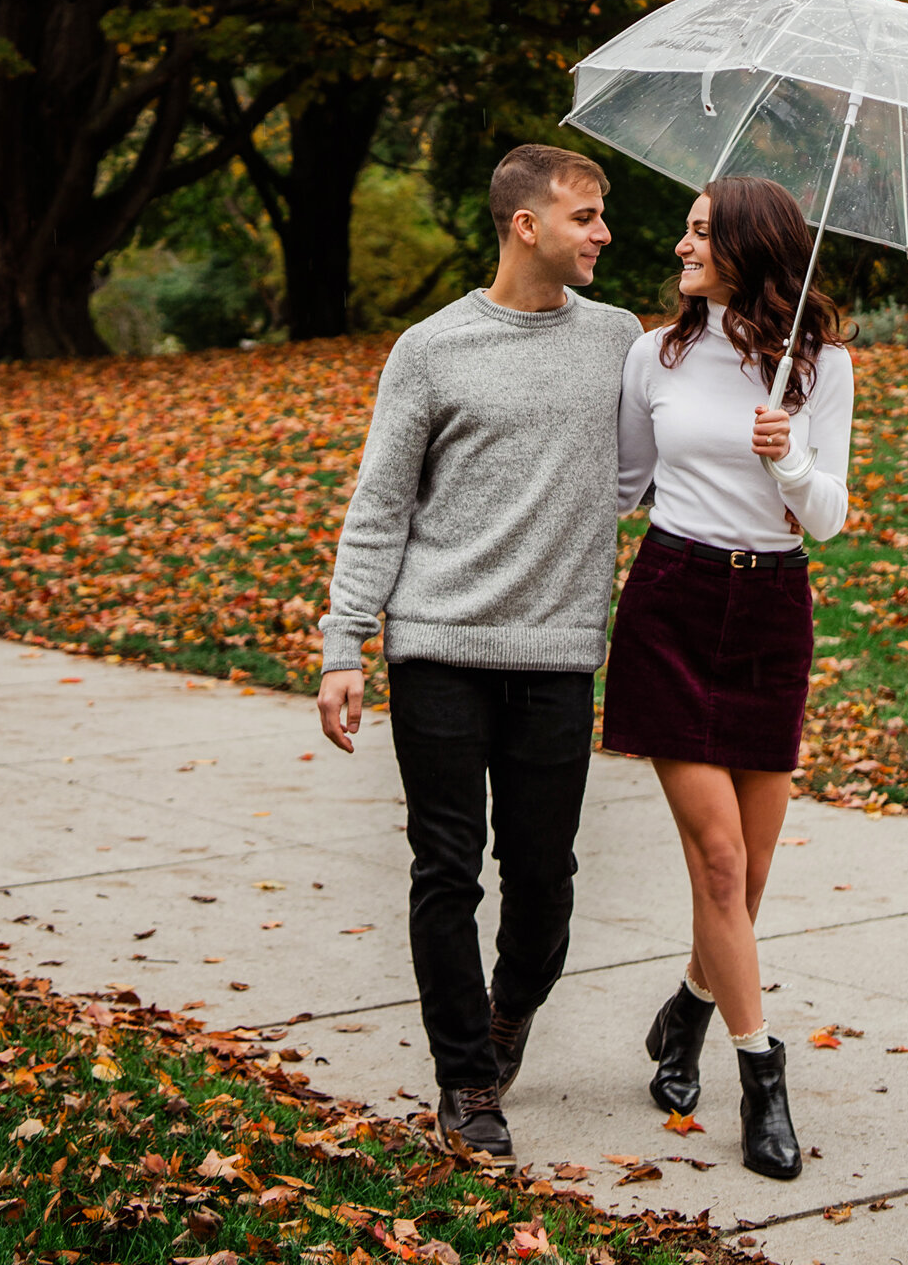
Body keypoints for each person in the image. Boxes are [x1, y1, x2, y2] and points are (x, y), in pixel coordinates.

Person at [316, 144, 642, 1165]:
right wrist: (344, 641)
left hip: (554, 653)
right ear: (525, 225)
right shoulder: (430, 348)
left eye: (604, 216)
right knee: (445, 866)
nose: (602, 233)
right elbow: (380, 507)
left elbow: (667, 446)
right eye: (585, 216)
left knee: (543, 874)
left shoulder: (622, 339)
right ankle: (465, 1075)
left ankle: (510, 1013)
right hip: (440, 649)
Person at [605, 175, 854, 1181]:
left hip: (769, 614)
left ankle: (688, 1009)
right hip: (671, 598)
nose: (679, 244)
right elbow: (620, 486)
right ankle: (761, 1076)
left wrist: (790, 460)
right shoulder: (653, 353)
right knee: (717, 865)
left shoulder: (819, 365)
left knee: (744, 878)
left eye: (701, 232)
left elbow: (829, 516)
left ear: (752, 247)